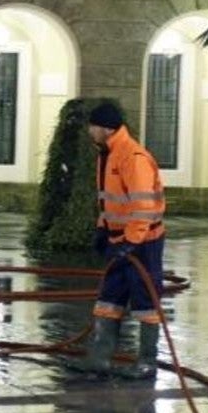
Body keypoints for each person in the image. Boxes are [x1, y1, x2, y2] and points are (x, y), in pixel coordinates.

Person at [85, 101, 166, 379]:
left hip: (142, 244)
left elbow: (142, 205)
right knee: (109, 299)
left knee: (145, 301)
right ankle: (100, 360)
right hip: (119, 240)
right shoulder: (107, 154)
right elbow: (110, 203)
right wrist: (102, 229)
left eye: (92, 126)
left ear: (105, 128)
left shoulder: (132, 156)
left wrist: (130, 241)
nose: (89, 131)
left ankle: (147, 363)